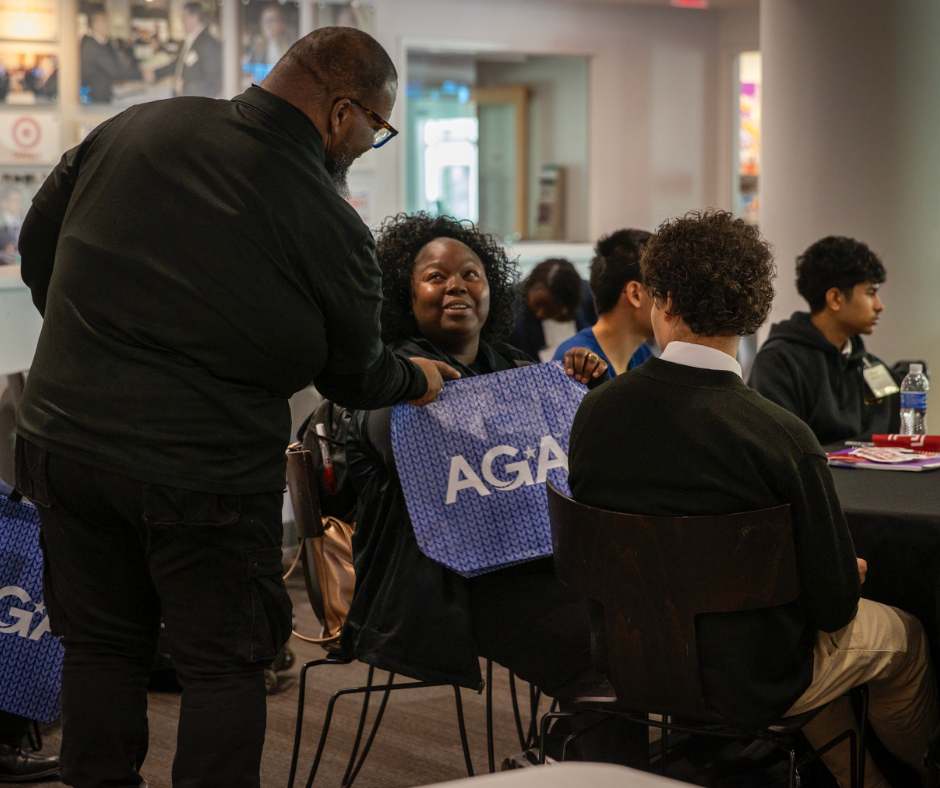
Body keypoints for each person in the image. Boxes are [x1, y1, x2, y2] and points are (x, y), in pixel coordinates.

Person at [15, 27, 457, 787]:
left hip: (67, 445)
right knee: (224, 665)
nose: (364, 145)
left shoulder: (135, 126)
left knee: (98, 648)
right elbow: (357, 375)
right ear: (342, 113)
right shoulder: (326, 218)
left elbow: (38, 248)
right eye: (376, 130)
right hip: (201, 474)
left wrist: (95, 339)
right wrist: (421, 381)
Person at [568, 210, 938, 788]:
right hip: (755, 674)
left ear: (661, 303)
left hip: (624, 660)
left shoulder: (595, 413)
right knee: (905, 637)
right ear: (754, 310)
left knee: (794, 638)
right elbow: (835, 608)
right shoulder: (781, 436)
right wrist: (844, 575)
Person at [340, 213, 638, 764]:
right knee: (603, 659)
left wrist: (586, 391)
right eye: (435, 277)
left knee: (635, 627)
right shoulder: (389, 378)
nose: (456, 286)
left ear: (491, 289)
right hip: (442, 586)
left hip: (534, 565)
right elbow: (391, 437)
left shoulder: (517, 366)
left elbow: (579, 465)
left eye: (471, 274)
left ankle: (562, 759)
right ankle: (573, 762)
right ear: (406, 293)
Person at [749, 236, 899, 444]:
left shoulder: (871, 366)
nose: (879, 305)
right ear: (835, 298)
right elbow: (780, 449)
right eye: (870, 293)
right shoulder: (779, 362)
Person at [553, 228, 654, 378]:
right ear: (635, 294)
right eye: (664, 290)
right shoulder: (576, 365)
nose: (673, 303)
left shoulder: (641, 354)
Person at [510, 257, 597, 362]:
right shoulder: (513, 312)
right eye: (536, 305)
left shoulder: (588, 299)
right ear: (528, 289)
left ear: (566, 305)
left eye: (549, 309)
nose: (540, 314)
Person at [153, 2, 222, 97]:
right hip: (184, 99)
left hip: (196, 103)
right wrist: (155, 73)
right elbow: (178, 64)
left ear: (195, 17)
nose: (182, 21)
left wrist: (185, 87)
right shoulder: (190, 40)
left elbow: (214, 83)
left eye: (184, 17)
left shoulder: (208, 43)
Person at [80, 11, 140, 104]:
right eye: (104, 22)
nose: (108, 25)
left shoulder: (105, 44)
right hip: (95, 99)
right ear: (95, 25)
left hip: (104, 94)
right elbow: (116, 71)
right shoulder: (92, 47)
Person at [246, 4, 294, 70]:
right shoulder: (257, 48)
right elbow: (249, 71)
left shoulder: (290, 47)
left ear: (281, 23)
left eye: (271, 20)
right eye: (264, 21)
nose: (267, 25)